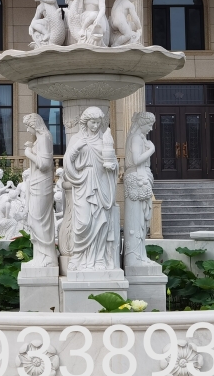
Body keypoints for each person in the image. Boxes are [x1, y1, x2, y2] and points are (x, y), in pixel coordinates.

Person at [63, 106, 120, 272]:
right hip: (84, 181)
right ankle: (78, 257)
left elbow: (113, 161)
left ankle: (99, 259)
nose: (95, 126)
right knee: (83, 222)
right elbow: (67, 161)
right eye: (92, 122)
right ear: (85, 122)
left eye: (98, 123)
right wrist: (76, 148)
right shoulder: (77, 138)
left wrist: (112, 166)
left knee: (102, 222)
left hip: (102, 182)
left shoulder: (105, 139)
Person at [22, 113, 57, 268]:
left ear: (34, 125)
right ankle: (40, 256)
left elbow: (44, 164)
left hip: (42, 183)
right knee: (35, 219)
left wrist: (28, 153)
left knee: (39, 220)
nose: (27, 129)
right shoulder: (41, 138)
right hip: (37, 182)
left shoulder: (44, 138)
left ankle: (48, 257)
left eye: (28, 126)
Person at [123, 112, 156, 267]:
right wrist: (152, 149)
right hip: (137, 179)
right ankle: (135, 257)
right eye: (149, 125)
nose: (151, 128)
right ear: (142, 124)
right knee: (137, 220)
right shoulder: (136, 138)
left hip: (141, 178)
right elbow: (136, 160)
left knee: (142, 221)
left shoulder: (140, 138)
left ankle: (140, 255)